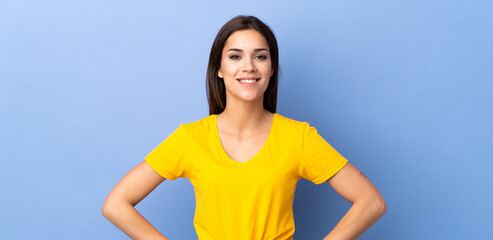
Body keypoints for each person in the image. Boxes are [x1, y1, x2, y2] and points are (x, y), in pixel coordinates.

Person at [102, 15, 387, 240]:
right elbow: (116, 204)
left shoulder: (298, 138)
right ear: (219, 67)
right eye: (235, 56)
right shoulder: (190, 138)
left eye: (260, 56)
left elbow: (371, 202)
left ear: (272, 68)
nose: (248, 66)